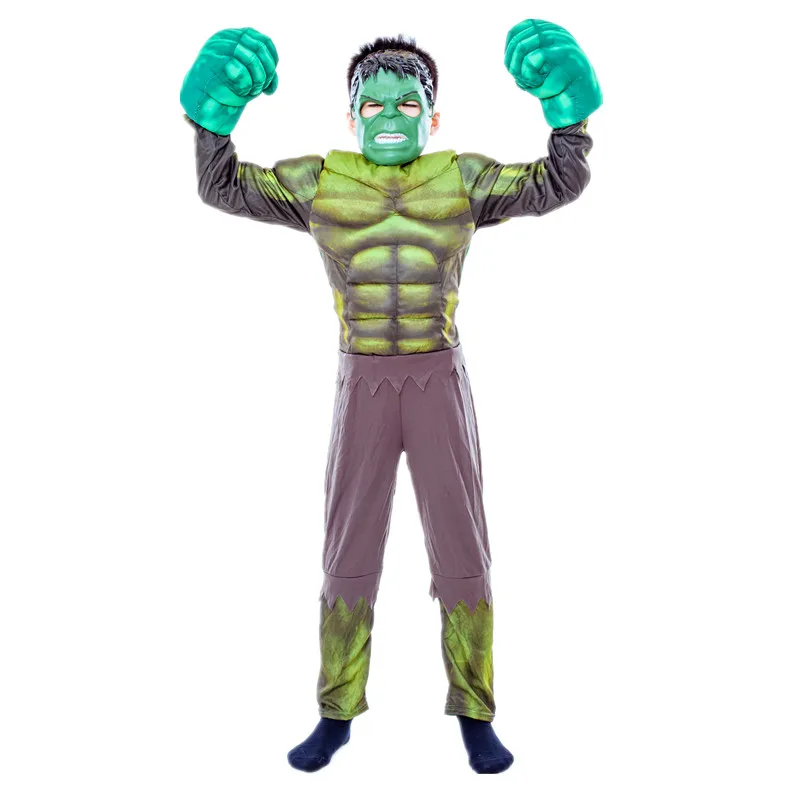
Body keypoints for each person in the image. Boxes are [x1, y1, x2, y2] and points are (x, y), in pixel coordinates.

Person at [180, 20, 602, 774]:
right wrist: (210, 120)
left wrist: (570, 113)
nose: (388, 116)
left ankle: (475, 713)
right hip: (363, 382)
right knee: (347, 553)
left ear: (432, 117)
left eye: (406, 103)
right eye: (371, 104)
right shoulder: (321, 182)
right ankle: (335, 713)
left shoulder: (461, 179)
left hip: (439, 380)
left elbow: (557, 183)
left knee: (463, 551)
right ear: (351, 117)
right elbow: (223, 187)